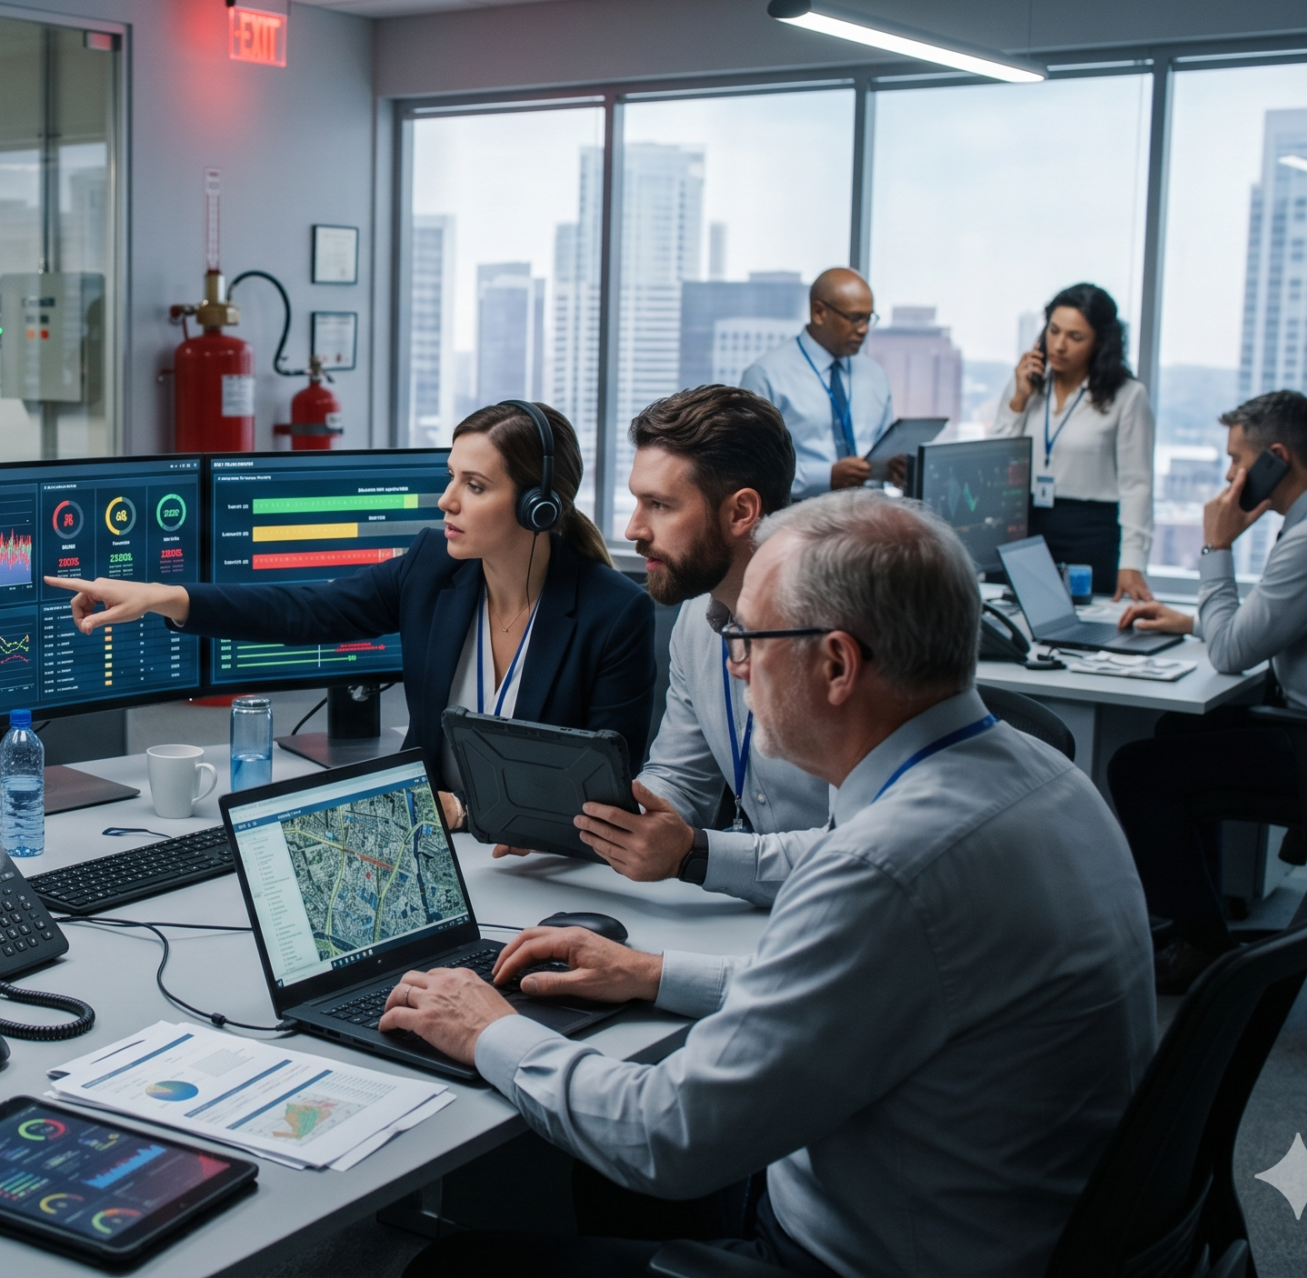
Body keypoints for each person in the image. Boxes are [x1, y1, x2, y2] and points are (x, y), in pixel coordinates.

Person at [384, 490, 1155, 1278]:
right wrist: (652, 975)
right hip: (1012, 1225)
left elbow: (667, 1138)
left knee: (453, 1268)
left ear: (837, 664)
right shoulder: (1046, 776)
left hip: (851, 1260)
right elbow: (881, 985)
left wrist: (487, 1030)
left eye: (747, 637)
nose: (735, 663)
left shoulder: (886, 869)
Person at [45, 402, 656, 796]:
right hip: (428, 847)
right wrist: (164, 596)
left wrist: (475, 817)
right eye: (451, 477)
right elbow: (307, 608)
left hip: (541, 875)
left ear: (538, 507)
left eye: (474, 486)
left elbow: (604, 790)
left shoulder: (611, 612)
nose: (446, 501)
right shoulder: (432, 568)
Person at [1108, 390, 1307, 991]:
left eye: (1235, 461)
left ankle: (1202, 948)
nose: (1226, 475)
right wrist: (1192, 620)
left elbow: (1234, 652)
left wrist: (1216, 545)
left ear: (1275, 458)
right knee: (1176, 733)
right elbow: (1274, 624)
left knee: (1140, 769)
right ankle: (1200, 925)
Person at [540, 385, 835, 908]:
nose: (633, 529)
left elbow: (858, 854)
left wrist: (694, 855)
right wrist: (584, 826)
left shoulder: (839, 638)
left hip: (847, 919)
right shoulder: (696, 620)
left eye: (659, 505)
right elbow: (681, 782)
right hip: (754, 917)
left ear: (741, 511)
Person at [992, 283, 1154, 600]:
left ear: (1100, 342)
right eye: (1053, 331)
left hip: (1090, 532)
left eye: (1075, 337)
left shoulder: (1128, 395)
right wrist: (1019, 401)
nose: (1059, 345)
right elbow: (998, 461)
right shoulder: (1026, 382)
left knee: (1084, 625)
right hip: (1024, 525)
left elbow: (1137, 485)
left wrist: (1133, 562)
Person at [738, 269, 892, 499]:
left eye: (868, 318)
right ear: (819, 312)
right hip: (800, 521)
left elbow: (883, 446)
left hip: (869, 517)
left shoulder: (874, 375)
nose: (864, 330)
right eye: (855, 318)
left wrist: (894, 466)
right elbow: (751, 467)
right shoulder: (765, 375)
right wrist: (826, 476)